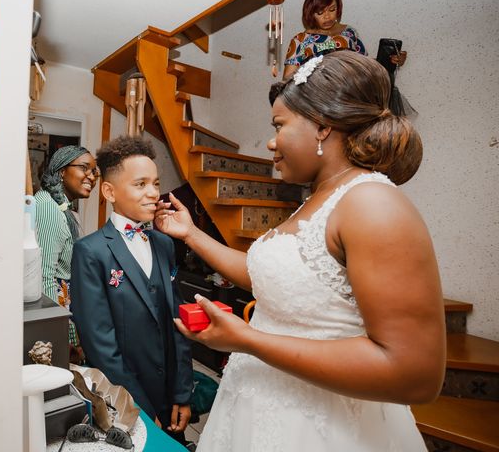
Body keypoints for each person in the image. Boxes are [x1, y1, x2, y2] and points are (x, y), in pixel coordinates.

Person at [156, 51, 445, 451]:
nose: (271, 142)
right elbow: (269, 279)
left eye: (279, 125)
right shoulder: (316, 199)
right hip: (260, 409)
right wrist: (190, 234)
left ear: (323, 126)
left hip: (321, 430)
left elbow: (416, 374)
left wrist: (248, 340)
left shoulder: (372, 203)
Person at [70, 136, 193, 443]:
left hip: (170, 396)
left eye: (156, 183)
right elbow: (99, 342)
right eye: (140, 184)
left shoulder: (164, 244)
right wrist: (134, 404)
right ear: (109, 191)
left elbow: (178, 321)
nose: (153, 193)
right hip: (127, 397)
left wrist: (182, 391)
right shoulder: (91, 251)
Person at [34, 145, 98, 364]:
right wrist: (63, 335)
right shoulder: (48, 209)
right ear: (62, 171)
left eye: (94, 171)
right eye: (85, 168)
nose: (92, 176)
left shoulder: (59, 207)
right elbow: (44, 278)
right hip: (56, 313)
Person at [283, 0, 406, 79]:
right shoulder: (300, 40)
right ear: (311, 13)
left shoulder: (349, 33)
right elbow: (287, 81)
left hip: (351, 97)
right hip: (317, 101)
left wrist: (391, 60)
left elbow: (365, 66)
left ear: (338, 8)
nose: (327, 17)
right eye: (320, 12)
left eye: (332, 9)